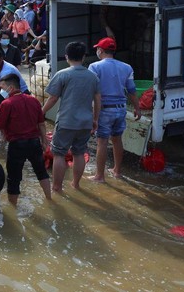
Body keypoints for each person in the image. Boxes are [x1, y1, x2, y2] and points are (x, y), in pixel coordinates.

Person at [0, 74, 51, 206]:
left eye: (2, 87)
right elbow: (41, 124)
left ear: (11, 87)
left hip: (17, 145)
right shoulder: (34, 100)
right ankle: (49, 199)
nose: (1, 91)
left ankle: (13, 208)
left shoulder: (7, 104)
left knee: (14, 178)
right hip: (34, 142)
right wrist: (44, 141)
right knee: (41, 172)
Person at [42, 41, 101, 192]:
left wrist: (40, 112)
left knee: (59, 153)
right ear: (83, 57)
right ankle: (76, 184)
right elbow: (98, 100)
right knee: (79, 152)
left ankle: (56, 187)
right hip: (85, 122)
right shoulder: (92, 76)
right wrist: (95, 119)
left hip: (66, 121)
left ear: (67, 56)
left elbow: (53, 98)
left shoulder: (62, 74)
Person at [88, 37, 141, 181]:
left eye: (97, 49)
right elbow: (131, 90)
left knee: (102, 142)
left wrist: (93, 115)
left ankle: (99, 176)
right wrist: (137, 108)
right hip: (121, 109)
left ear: (100, 50)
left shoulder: (94, 67)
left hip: (105, 109)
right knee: (117, 140)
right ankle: (117, 171)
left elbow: (92, 91)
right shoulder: (127, 67)